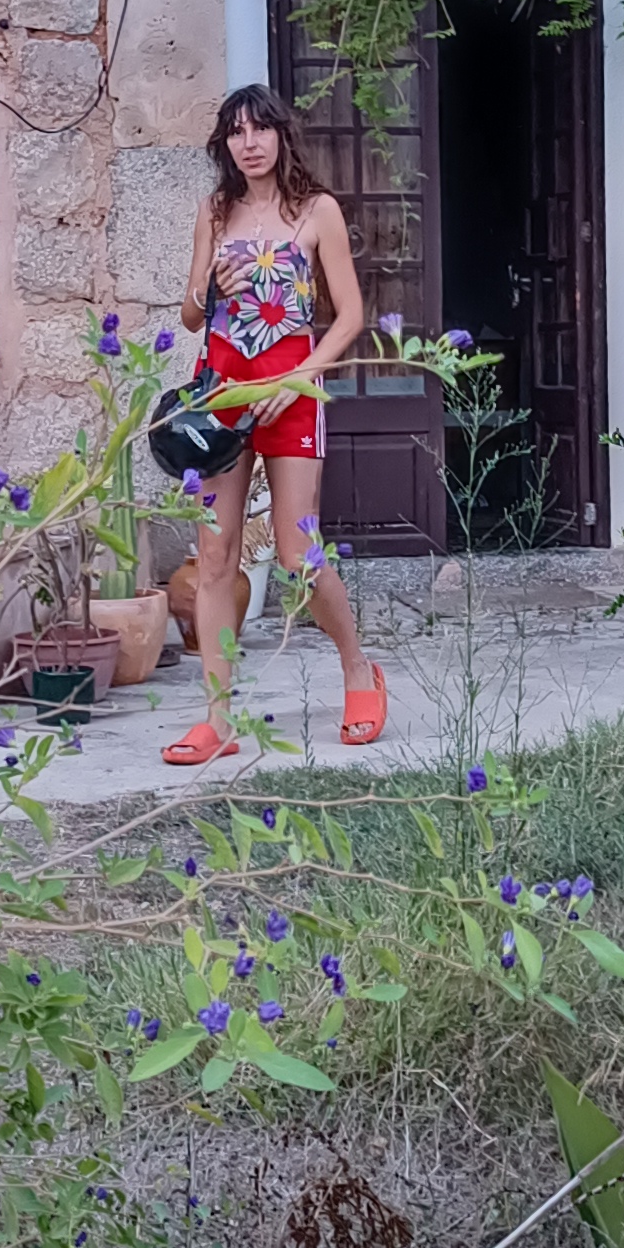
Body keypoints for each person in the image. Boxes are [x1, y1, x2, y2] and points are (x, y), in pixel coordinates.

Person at [160, 82, 386, 764]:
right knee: (214, 557)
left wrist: (298, 379)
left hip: (292, 394)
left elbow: (350, 315)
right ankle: (217, 719)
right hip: (221, 397)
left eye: (260, 129)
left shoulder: (317, 210)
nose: (249, 142)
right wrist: (207, 288)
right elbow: (190, 316)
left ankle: (358, 670)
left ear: (282, 135)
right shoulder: (214, 210)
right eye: (236, 132)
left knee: (297, 555)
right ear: (224, 144)